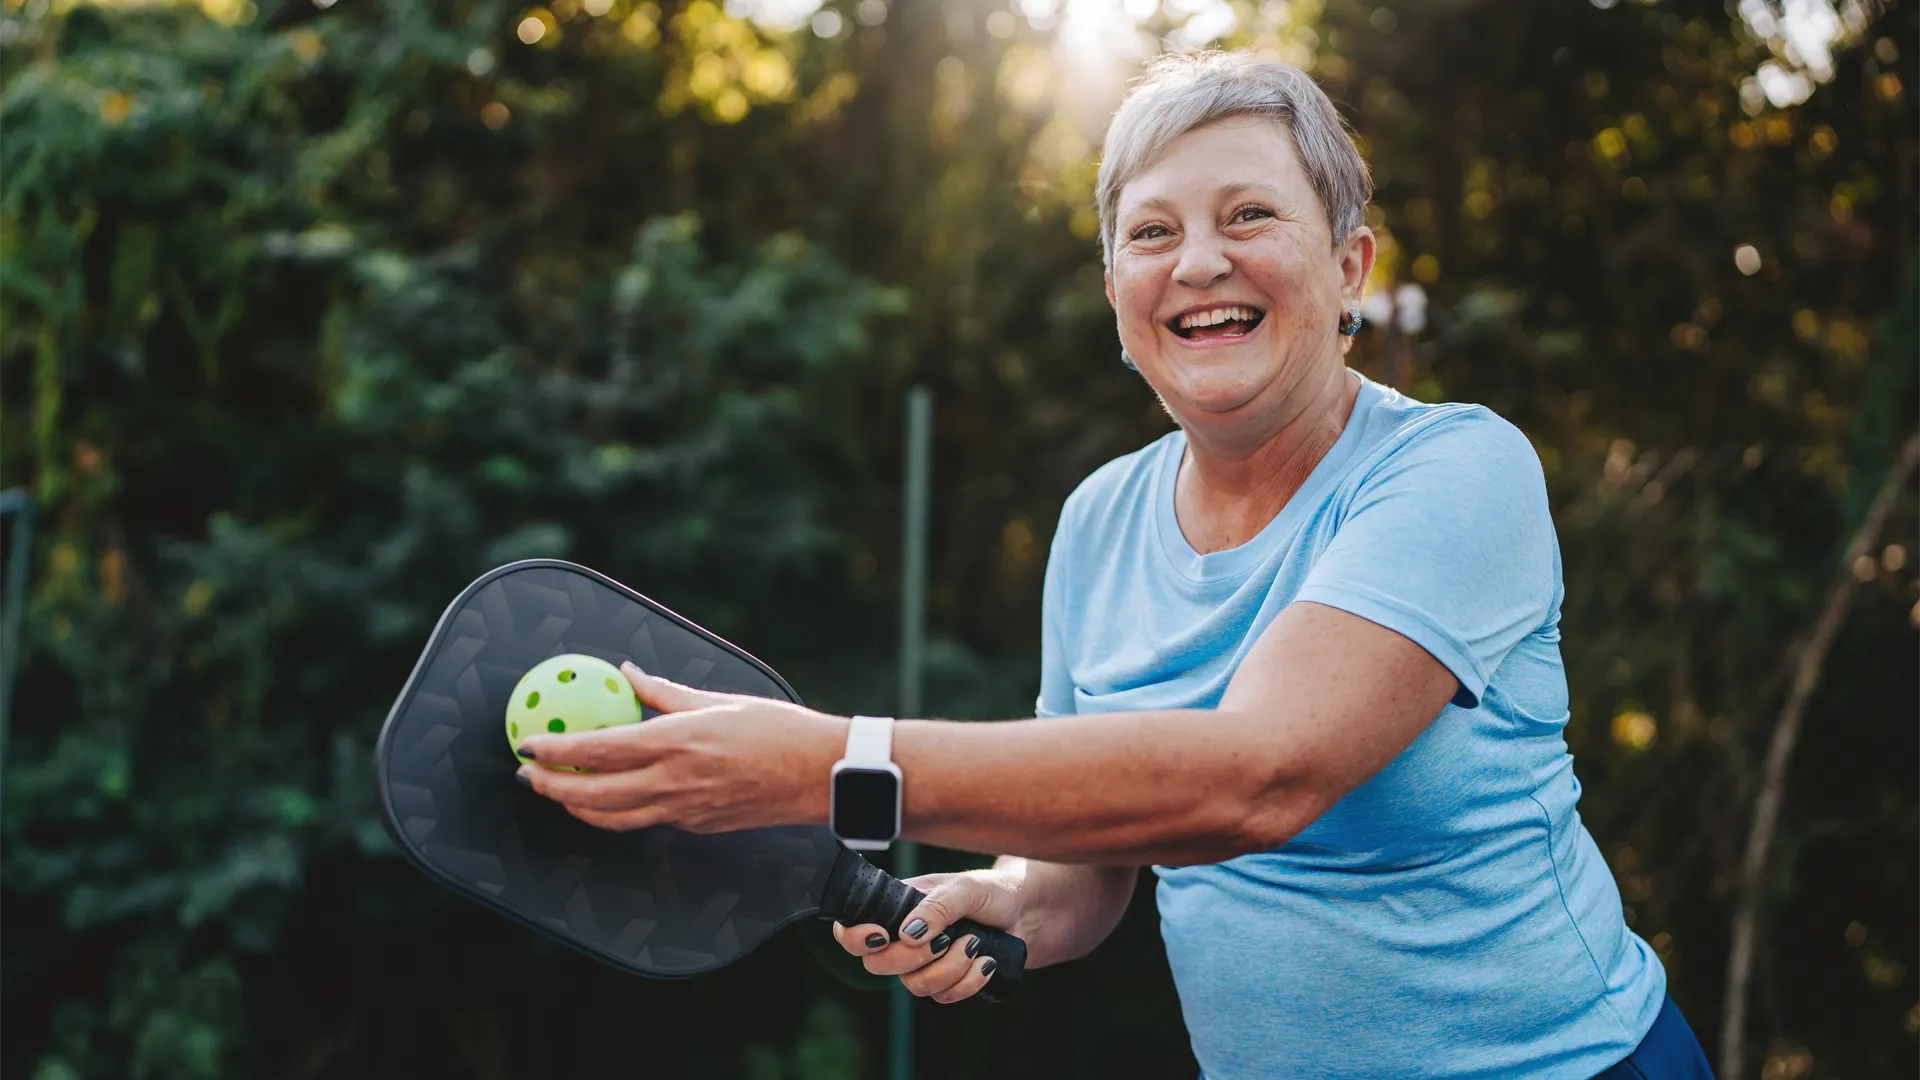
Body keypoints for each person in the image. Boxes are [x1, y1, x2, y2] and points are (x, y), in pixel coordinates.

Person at [511, 51, 1716, 1079]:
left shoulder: (1458, 473)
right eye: (1153, 232)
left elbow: (1257, 778)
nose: (1197, 263)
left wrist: (831, 764)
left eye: (1248, 216)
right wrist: (1012, 899)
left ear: (1349, 267)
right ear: (1116, 296)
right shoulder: (1097, 522)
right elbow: (1094, 864)